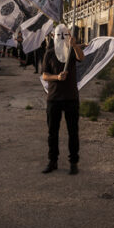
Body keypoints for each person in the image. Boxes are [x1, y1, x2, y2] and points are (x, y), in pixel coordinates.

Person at [41, 24, 84, 175]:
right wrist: (57, 77)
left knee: (73, 132)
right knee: (52, 132)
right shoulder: (49, 54)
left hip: (71, 98)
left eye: (65, 35)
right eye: (59, 35)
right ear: (53, 36)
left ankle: (74, 162)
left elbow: (81, 57)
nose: (61, 38)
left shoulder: (72, 52)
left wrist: (75, 45)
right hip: (54, 98)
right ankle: (52, 161)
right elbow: (45, 75)